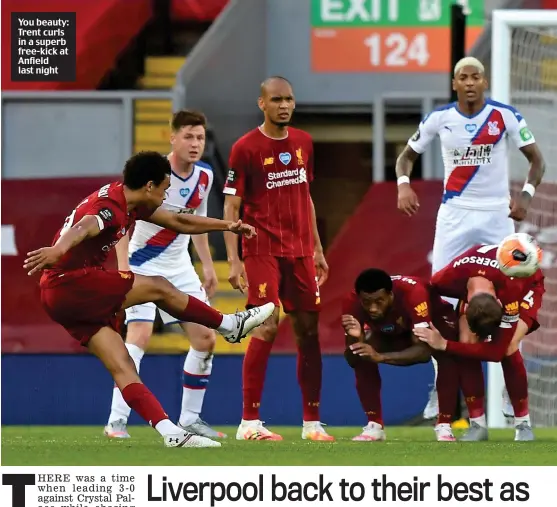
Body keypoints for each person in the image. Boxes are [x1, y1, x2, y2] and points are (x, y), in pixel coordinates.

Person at [24, 151, 275, 448]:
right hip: (70, 284)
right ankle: (229, 325)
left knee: (123, 366)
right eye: (164, 188)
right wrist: (58, 250)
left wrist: (227, 226)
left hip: (58, 297)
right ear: (149, 186)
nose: (166, 194)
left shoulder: (131, 202)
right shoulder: (113, 206)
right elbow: (85, 226)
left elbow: (177, 220)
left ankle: (171, 432)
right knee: (158, 286)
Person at [394, 56, 546, 421]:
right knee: (439, 298)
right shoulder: (439, 119)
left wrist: (524, 197)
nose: (470, 82)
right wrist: (403, 186)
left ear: (485, 81)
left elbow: (537, 161)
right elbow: (405, 158)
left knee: (509, 295)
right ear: (454, 83)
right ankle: (438, 386)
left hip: (496, 215)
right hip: (454, 215)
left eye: (476, 76)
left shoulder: (505, 115)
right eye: (463, 77)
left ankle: (510, 391)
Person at [104, 111, 226, 440]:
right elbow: (122, 219)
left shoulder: (205, 175)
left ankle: (190, 418)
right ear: (172, 138)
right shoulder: (152, 172)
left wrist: (207, 265)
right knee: (139, 336)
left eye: (200, 138)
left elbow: (195, 221)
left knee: (205, 338)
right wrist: (123, 266)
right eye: (188, 136)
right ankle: (116, 421)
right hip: (141, 262)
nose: (195, 144)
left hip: (180, 266)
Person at [223, 76, 332, 441]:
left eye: (289, 99)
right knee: (266, 323)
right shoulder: (245, 148)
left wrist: (317, 248)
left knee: (309, 333)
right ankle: (249, 423)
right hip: (261, 247)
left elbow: (307, 196)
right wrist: (234, 260)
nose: (284, 105)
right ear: (262, 104)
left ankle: (312, 424)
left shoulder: (304, 142)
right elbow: (232, 206)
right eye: (276, 99)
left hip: (300, 250)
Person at [419, 243, 545, 442]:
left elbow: (496, 353)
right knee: (466, 343)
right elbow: (429, 291)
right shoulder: (447, 279)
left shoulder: (511, 288)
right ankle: (477, 424)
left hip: (527, 285)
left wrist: (445, 345)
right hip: (477, 287)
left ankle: (523, 424)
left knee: (510, 348)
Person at [341, 269, 462, 442]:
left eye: (379, 301)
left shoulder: (414, 294)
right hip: (392, 329)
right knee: (363, 353)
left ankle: (444, 425)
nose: (372, 308)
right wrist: (356, 338)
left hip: (434, 320)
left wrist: (381, 357)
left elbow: (424, 353)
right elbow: (352, 360)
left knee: (445, 353)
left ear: (391, 295)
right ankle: (374, 425)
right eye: (366, 302)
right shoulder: (351, 302)